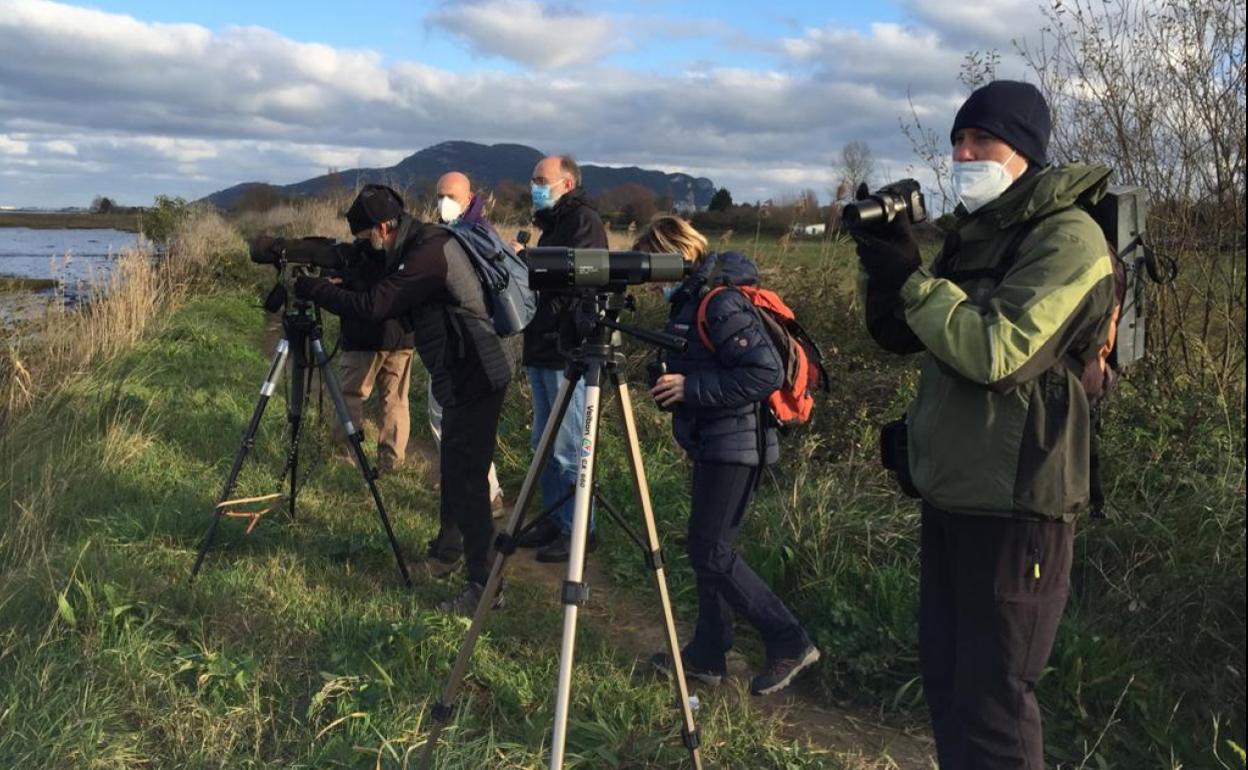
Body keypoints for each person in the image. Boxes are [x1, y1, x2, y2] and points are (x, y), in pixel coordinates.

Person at [851, 80, 1118, 768]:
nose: (964, 153)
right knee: (948, 684)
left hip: (1018, 505)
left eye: (981, 141)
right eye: (958, 141)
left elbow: (996, 353)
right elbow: (908, 335)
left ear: (1025, 152)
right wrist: (886, 262)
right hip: (953, 493)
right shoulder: (977, 235)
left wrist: (914, 281)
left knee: (995, 702)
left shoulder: (1069, 240)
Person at [294, 184, 513, 614]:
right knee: (453, 468)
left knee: (469, 480)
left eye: (364, 240)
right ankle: (449, 554)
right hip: (459, 371)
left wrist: (317, 291)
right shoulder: (417, 245)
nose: (367, 249)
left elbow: (378, 305)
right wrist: (345, 283)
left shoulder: (430, 251)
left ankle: (484, 588)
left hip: (477, 372)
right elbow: (389, 292)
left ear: (381, 228)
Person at [638, 215, 820, 697]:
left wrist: (691, 388)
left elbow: (763, 373)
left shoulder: (719, 304)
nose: (647, 277)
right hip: (714, 440)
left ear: (672, 255)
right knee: (707, 550)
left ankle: (790, 641)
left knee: (711, 551)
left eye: (651, 263)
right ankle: (707, 654)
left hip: (739, 446)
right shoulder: (689, 300)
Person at [513, 154, 608, 563]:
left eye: (540, 179)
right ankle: (555, 518)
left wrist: (526, 262)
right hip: (541, 345)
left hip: (565, 349)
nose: (533, 185)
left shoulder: (583, 222)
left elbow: (578, 276)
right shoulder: (551, 223)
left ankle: (579, 532)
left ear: (566, 183)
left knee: (569, 448)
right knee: (543, 444)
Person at [428, 171, 506, 517]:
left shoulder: (474, 236)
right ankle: (476, 489)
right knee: (456, 424)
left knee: (457, 424)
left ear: (470, 197)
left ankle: (482, 496)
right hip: (459, 341)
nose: (444, 202)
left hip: (468, 344)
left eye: (452, 196)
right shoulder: (465, 233)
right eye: (440, 195)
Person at [332, 238, 415, 474]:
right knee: (397, 399)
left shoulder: (354, 257)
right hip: (401, 336)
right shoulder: (406, 252)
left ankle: (346, 458)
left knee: (350, 396)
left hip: (362, 337)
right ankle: (392, 461)